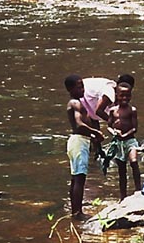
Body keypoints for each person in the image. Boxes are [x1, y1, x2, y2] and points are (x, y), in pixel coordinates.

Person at [64, 74, 104, 220]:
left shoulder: (78, 103)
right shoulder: (75, 103)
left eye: (83, 86)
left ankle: (75, 210)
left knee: (76, 178)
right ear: (70, 89)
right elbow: (79, 124)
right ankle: (77, 213)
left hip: (81, 140)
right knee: (79, 178)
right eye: (79, 86)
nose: (82, 89)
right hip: (78, 141)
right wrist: (95, 132)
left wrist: (92, 137)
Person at [106, 82, 141, 199]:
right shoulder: (113, 111)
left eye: (127, 95)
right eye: (122, 95)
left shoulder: (132, 110)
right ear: (117, 95)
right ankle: (123, 195)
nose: (124, 98)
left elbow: (135, 128)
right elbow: (109, 126)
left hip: (130, 140)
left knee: (134, 161)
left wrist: (125, 134)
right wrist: (114, 132)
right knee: (121, 169)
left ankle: (138, 189)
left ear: (131, 96)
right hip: (118, 143)